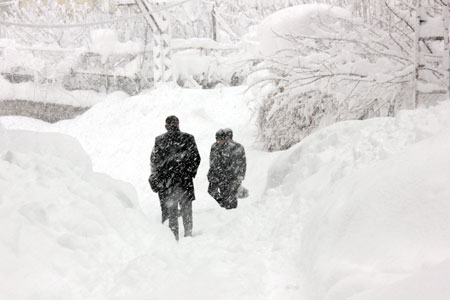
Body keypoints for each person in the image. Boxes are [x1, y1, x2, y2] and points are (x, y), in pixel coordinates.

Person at [149, 115, 201, 241]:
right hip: (185, 182)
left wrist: (161, 176)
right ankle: (188, 235)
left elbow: (155, 162)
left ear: (166, 126)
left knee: (171, 213)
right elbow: (196, 159)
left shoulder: (159, 140)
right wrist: (189, 173)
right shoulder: (189, 138)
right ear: (178, 124)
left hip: (169, 183)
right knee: (187, 210)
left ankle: (173, 240)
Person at [207, 128, 246, 209]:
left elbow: (241, 163)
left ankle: (231, 211)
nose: (219, 141)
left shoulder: (236, 147)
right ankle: (225, 206)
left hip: (231, 177)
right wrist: (211, 173)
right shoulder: (215, 147)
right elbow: (212, 161)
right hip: (220, 176)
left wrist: (239, 177)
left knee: (231, 197)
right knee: (218, 193)